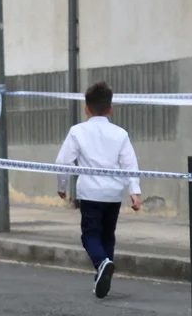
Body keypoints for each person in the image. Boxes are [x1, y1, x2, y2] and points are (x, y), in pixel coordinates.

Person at [55, 81, 142, 299]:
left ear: (86, 109)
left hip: (90, 193)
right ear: (110, 109)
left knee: (90, 236)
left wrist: (62, 186)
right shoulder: (120, 134)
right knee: (107, 236)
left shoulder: (77, 131)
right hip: (113, 194)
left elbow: (63, 162)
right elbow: (129, 164)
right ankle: (102, 275)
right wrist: (134, 191)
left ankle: (102, 263)